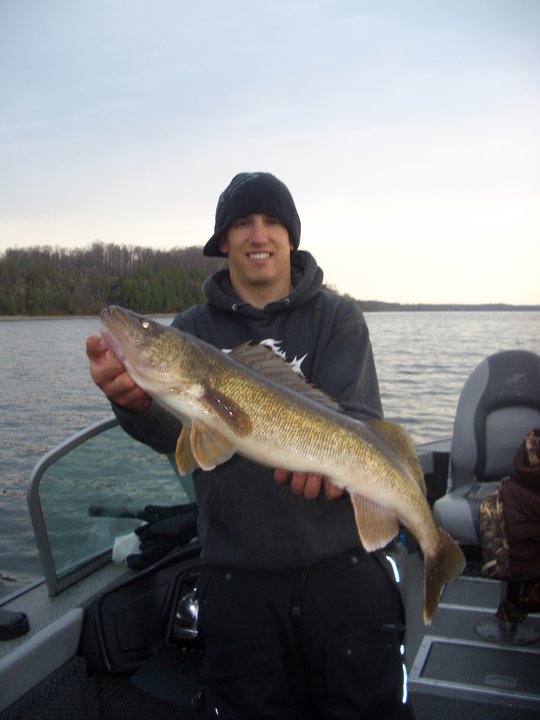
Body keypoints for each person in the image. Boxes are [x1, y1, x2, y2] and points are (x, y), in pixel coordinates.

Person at [87, 172, 414, 719]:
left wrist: (338, 474)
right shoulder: (192, 329)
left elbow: (359, 423)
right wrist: (134, 403)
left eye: (271, 222)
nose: (258, 235)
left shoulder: (338, 317)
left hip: (343, 568)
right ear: (223, 242)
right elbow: (178, 438)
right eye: (242, 223)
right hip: (237, 573)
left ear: (290, 238)